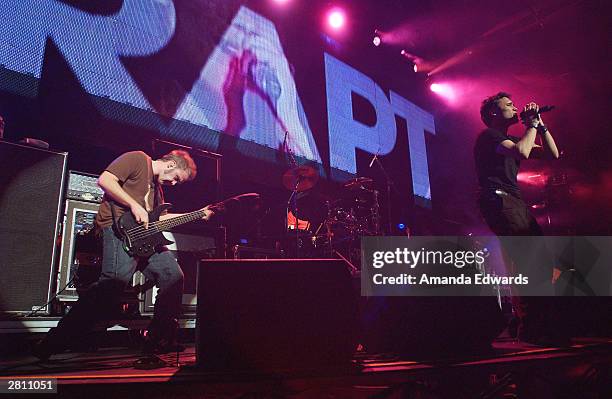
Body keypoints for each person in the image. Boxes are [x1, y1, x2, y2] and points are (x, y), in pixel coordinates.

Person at [34, 150, 214, 360]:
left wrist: (198, 214)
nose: (174, 184)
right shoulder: (137, 159)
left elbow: (159, 220)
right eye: (176, 179)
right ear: (171, 164)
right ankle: (54, 341)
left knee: (172, 276)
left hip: (143, 237)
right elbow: (105, 180)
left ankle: (158, 340)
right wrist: (133, 204)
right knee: (113, 283)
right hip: (117, 230)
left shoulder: (157, 190)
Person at [474, 92, 565, 345]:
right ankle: (530, 328)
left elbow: (553, 154)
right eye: (509, 105)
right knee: (524, 261)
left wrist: (541, 125)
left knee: (538, 261)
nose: (516, 107)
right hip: (499, 199)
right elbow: (522, 152)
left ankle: (529, 324)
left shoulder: (512, 138)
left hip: (514, 202)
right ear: (494, 112)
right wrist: (531, 125)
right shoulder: (489, 136)